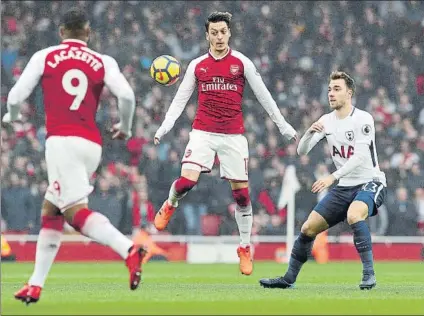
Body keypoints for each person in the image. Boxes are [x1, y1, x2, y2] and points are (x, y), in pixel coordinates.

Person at [2, 8, 145, 305]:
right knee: (51, 209)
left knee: (73, 213)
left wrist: (12, 116)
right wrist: (125, 127)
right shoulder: (103, 61)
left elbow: (15, 97)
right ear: (88, 32)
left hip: (61, 142)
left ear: (61, 32)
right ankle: (35, 285)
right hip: (91, 144)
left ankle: (129, 249)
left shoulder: (45, 56)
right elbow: (128, 97)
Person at [153, 11, 297, 276]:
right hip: (203, 133)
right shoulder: (198, 65)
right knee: (186, 182)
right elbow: (180, 99)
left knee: (241, 195)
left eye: (223, 32)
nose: (219, 37)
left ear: (229, 33)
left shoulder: (241, 63)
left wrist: (283, 125)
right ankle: (170, 203)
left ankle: (244, 247)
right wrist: (165, 126)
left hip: (233, 136)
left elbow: (264, 96)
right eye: (214, 32)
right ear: (207, 35)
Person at [259, 71, 387, 290]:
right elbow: (302, 151)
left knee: (355, 214)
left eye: (337, 89)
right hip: (343, 187)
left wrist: (332, 177)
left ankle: (369, 274)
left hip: (370, 182)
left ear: (349, 93)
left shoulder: (363, 118)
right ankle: (288, 278)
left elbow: (361, 157)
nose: (331, 93)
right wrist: (309, 132)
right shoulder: (326, 121)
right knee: (308, 228)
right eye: (329, 89)